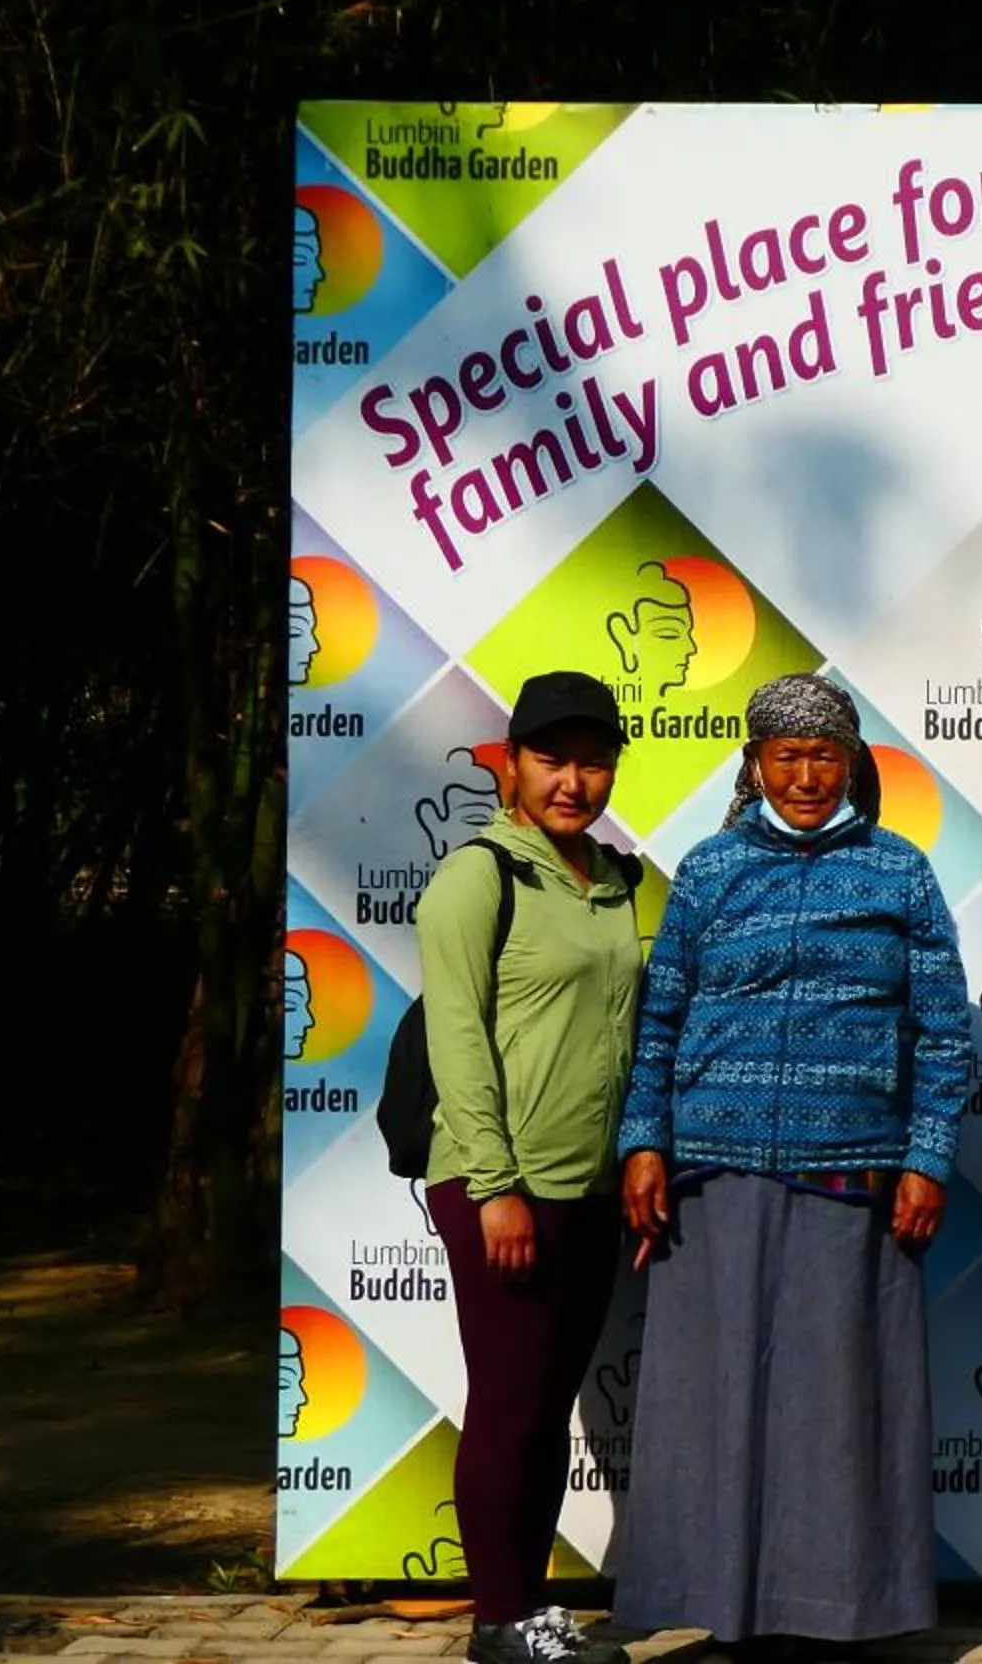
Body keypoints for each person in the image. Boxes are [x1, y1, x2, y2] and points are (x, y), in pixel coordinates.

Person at [612, 672, 972, 1650]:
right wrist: (643, 1139)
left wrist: (927, 1156)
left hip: (848, 1179)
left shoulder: (898, 873)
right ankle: (723, 1610)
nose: (807, 774)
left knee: (836, 1405)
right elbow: (661, 1019)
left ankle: (838, 1617)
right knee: (715, 1400)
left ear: (852, 761)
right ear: (755, 762)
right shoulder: (711, 870)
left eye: (825, 755)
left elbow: (944, 1034)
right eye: (787, 754)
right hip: (715, 1179)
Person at [415, 670, 644, 1664]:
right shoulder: (481, 874)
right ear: (512, 763)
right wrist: (495, 1184)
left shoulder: (614, 877)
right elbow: (456, 1038)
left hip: (590, 1188)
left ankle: (530, 1609)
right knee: (509, 1401)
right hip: (496, 1184)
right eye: (554, 757)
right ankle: (498, 1618)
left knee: (545, 1402)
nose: (574, 779)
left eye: (594, 760)